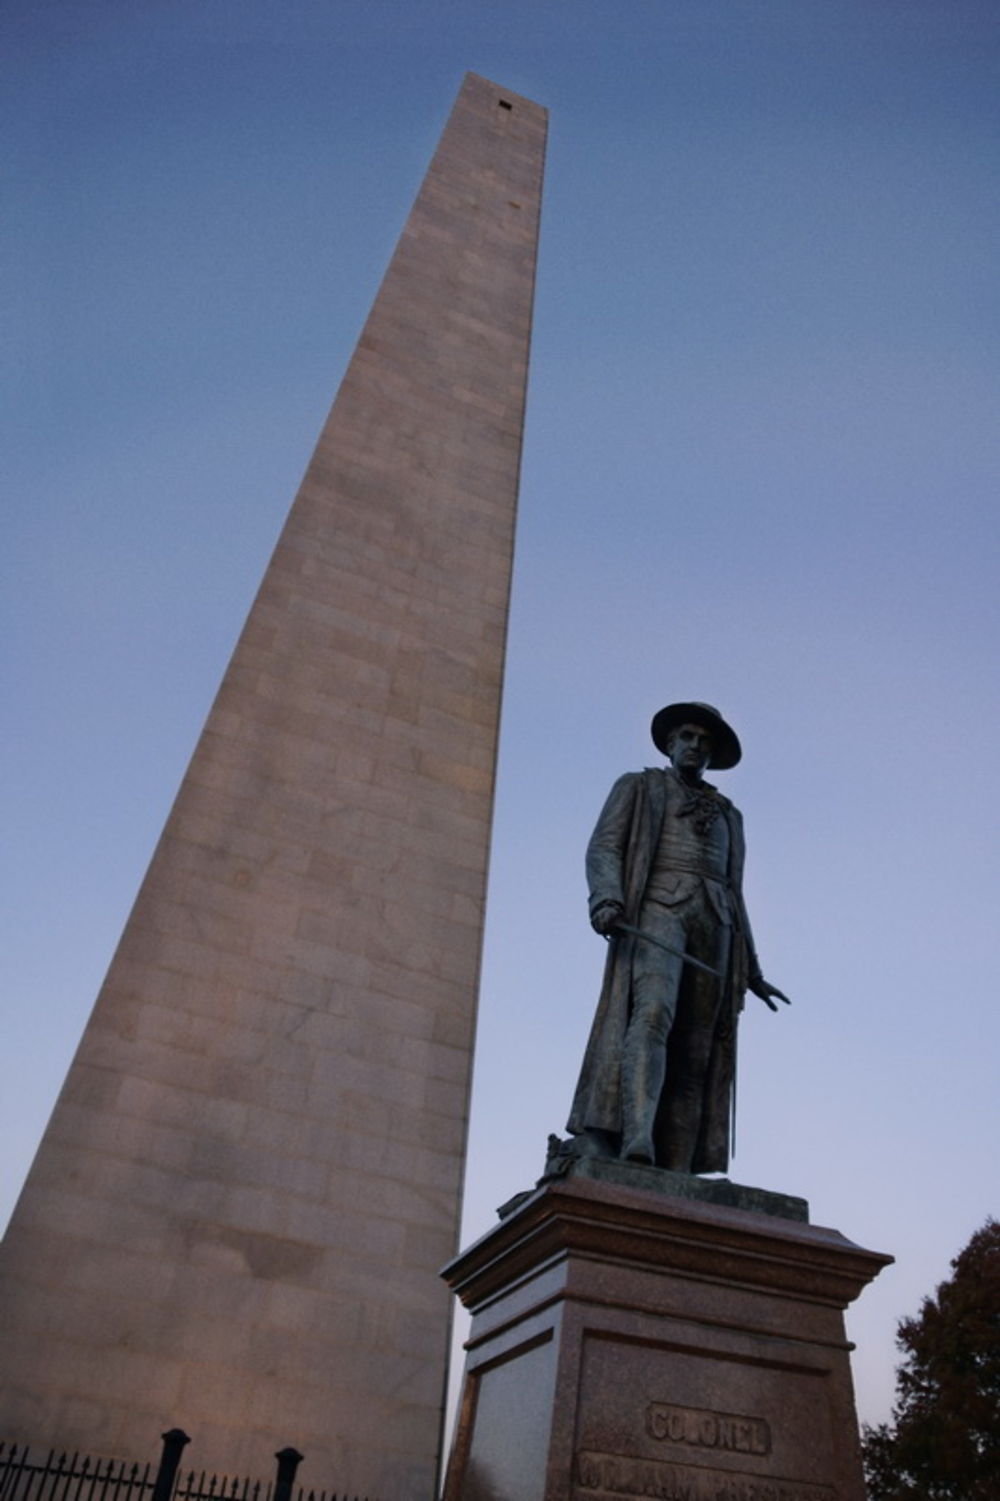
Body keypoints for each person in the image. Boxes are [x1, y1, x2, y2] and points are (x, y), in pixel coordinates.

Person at [566, 702, 788, 1175]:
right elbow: (604, 845)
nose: (695, 746)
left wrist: (753, 968)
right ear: (670, 743)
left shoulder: (730, 814)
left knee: (699, 1046)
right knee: (652, 1015)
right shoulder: (640, 786)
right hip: (657, 911)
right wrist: (605, 898)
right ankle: (637, 1136)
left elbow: (735, 888)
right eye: (687, 736)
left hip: (718, 923)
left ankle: (677, 1162)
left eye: (705, 742)